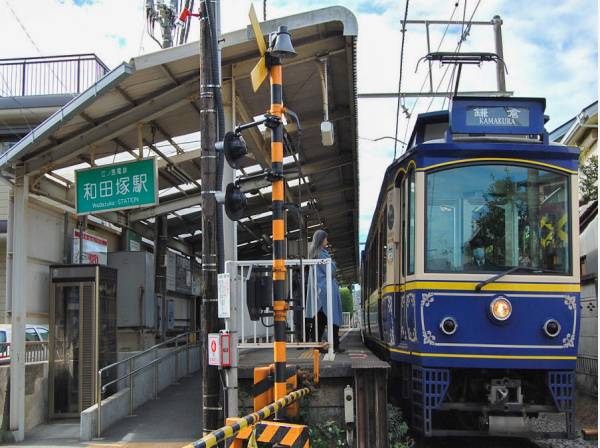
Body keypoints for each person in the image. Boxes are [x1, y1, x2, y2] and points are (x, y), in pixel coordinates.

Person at [305, 230, 344, 353]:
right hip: (326, 291)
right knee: (332, 318)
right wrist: (332, 264)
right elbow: (331, 271)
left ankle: (319, 345)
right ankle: (334, 345)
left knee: (320, 319)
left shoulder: (315, 254)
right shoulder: (322, 255)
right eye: (326, 239)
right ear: (321, 240)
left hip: (320, 291)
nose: (327, 241)